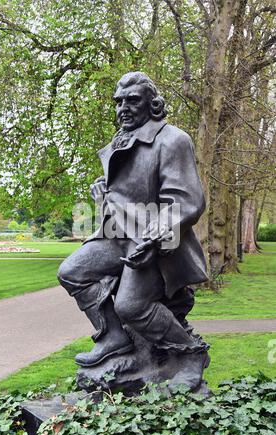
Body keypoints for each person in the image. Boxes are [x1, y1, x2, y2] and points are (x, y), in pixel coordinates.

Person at [58, 72, 208, 368]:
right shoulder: (122, 140)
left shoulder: (173, 140)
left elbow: (186, 200)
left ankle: (191, 355)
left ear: (153, 104)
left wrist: (155, 237)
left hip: (158, 244)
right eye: (118, 102)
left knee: (131, 306)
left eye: (132, 101)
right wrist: (103, 194)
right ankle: (112, 336)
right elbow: (129, 192)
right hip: (118, 235)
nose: (122, 109)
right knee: (72, 272)